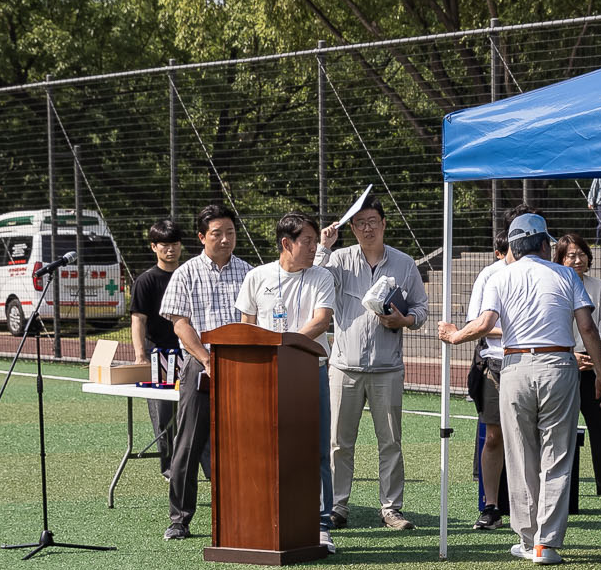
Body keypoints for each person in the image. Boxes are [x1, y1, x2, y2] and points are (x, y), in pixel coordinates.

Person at [437, 212, 601, 565]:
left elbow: (484, 324)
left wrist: (454, 335)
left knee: (519, 454)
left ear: (513, 247)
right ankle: (547, 543)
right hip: (559, 366)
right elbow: (588, 329)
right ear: (545, 244)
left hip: (514, 367)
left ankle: (528, 539)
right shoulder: (566, 275)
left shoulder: (501, 276)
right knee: (557, 455)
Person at [318, 200, 430, 531]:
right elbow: (313, 282)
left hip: (387, 369)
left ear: (384, 223)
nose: (367, 228)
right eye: (360, 223)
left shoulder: (404, 263)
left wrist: (404, 320)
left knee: (391, 441)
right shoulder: (338, 260)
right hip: (343, 367)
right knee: (338, 442)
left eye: (373, 221)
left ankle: (391, 509)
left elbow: (421, 309)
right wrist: (324, 248)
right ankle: (337, 507)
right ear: (351, 228)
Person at [238, 212, 340, 534]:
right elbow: (247, 326)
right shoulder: (258, 277)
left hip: (311, 372)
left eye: (313, 241)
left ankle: (321, 526)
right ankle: (267, 518)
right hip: (267, 377)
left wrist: (284, 345)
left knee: (317, 449)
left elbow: (322, 320)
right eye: (307, 241)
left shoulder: (321, 277)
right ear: (287, 243)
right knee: (266, 447)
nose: (314, 248)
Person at [160, 203, 250, 541]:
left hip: (244, 362)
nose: (226, 239)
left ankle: (244, 510)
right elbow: (180, 325)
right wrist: (207, 359)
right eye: (217, 234)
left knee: (244, 442)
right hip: (200, 362)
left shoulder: (249, 272)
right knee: (189, 442)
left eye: (230, 232)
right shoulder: (186, 273)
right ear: (202, 237)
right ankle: (179, 519)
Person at [556, 234, 601, 500]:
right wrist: (569, 355)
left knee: (600, 422)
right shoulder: (554, 284)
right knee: (561, 426)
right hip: (562, 360)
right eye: (570, 255)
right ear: (560, 259)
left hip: (591, 360)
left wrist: (598, 368)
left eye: (581, 254)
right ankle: (560, 484)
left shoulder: (598, 286)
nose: (577, 260)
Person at [126, 220, 185, 481]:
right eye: (164, 245)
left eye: (174, 244)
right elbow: (138, 320)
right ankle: (169, 468)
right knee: (163, 414)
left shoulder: (188, 274)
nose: (170, 249)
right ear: (154, 247)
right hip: (158, 353)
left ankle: (199, 466)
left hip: (190, 351)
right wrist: (140, 355)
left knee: (194, 410)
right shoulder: (145, 281)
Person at [466, 231, 513, 531]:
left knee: (531, 440)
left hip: (530, 363)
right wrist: (512, 332)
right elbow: (476, 323)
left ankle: (531, 510)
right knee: (493, 436)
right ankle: (491, 507)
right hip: (495, 363)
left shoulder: (545, 273)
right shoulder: (490, 275)